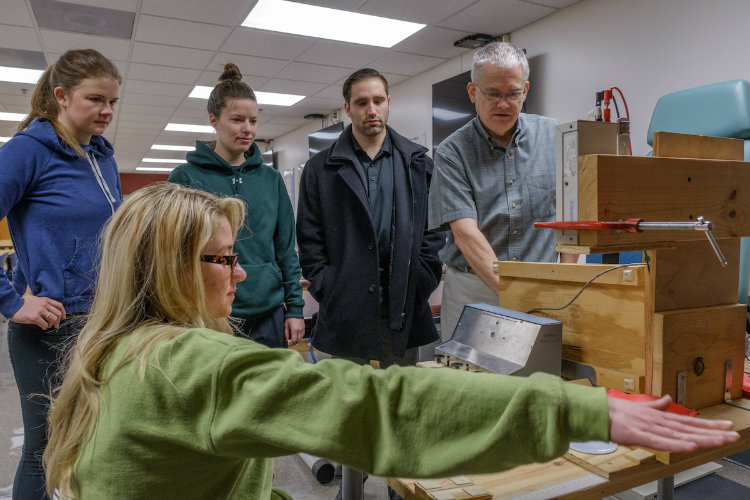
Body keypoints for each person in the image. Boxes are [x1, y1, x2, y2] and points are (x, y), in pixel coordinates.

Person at [42, 182, 739, 500]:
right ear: (168, 269)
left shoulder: (115, 351)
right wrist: (588, 411)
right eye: (222, 259)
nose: (240, 273)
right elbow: (372, 403)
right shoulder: (181, 361)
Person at [0, 49, 122, 500]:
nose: (107, 110)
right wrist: (13, 302)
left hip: (103, 322)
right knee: (44, 450)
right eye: (96, 99)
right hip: (50, 329)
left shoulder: (101, 157)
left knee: (94, 442)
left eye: (112, 101)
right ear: (61, 96)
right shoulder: (26, 152)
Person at [428, 41, 576, 341]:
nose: (504, 104)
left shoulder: (557, 137)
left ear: (526, 90)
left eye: (513, 93)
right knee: (474, 383)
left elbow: (573, 213)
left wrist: (565, 278)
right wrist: (514, 292)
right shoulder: (452, 152)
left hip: (544, 286)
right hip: (476, 287)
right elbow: (466, 234)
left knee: (541, 379)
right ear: (473, 92)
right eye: (493, 94)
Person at [297, 68, 444, 366]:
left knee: (400, 400)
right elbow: (310, 240)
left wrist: (421, 279)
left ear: (389, 102)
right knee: (350, 400)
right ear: (348, 108)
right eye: (362, 102)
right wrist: (330, 287)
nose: (371, 109)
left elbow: (434, 232)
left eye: (378, 100)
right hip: (346, 306)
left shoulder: (418, 164)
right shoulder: (319, 170)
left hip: (402, 304)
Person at [168, 63, 304, 348]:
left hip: (268, 312)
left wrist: (294, 309)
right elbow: (172, 254)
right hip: (209, 314)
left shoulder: (272, 180)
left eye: (253, 121)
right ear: (214, 120)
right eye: (237, 120)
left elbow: (285, 251)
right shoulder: (185, 178)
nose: (247, 129)